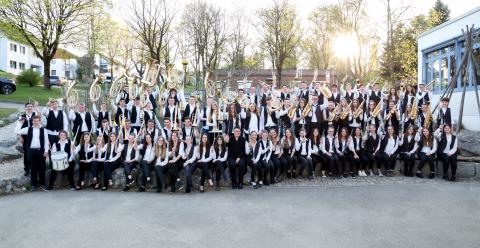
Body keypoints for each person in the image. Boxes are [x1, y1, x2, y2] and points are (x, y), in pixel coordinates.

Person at [15, 115, 49, 191]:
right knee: (33, 168)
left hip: (41, 151)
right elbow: (17, 131)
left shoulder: (44, 130)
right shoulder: (28, 129)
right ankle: (34, 185)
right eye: (34, 121)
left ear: (40, 121)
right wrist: (20, 123)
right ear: (32, 121)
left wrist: (46, 151)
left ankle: (42, 184)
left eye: (37, 121)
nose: (36, 122)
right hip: (31, 151)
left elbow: (46, 141)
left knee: (42, 168)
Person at [19, 101, 39, 176]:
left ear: (32, 107)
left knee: (34, 152)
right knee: (26, 153)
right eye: (28, 106)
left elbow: (40, 116)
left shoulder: (35, 114)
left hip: (34, 136)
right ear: (25, 108)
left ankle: (34, 168)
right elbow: (18, 128)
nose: (29, 107)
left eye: (31, 106)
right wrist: (20, 137)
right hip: (25, 137)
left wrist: (36, 107)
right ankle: (27, 169)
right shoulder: (22, 116)